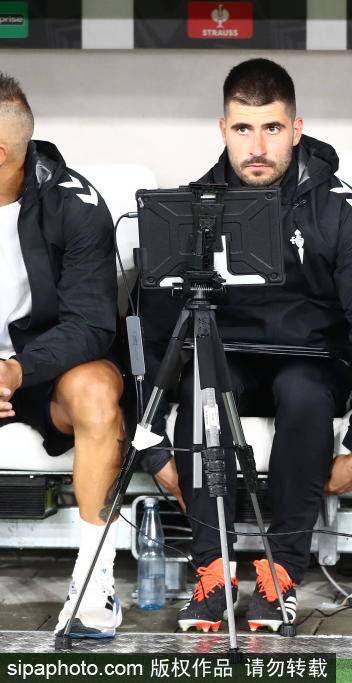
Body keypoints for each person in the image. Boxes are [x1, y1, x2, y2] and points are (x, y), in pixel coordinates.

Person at [139, 58, 352, 633]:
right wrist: (153, 445)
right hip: (225, 356)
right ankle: (212, 572)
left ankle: (280, 574)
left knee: (303, 391)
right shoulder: (192, 209)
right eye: (243, 128)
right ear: (223, 129)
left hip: (313, 361)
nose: (257, 147)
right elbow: (157, 333)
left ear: (297, 128)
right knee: (205, 386)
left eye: (272, 128)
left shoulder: (341, 210)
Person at [0, 73, 124, 638]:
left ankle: (95, 582)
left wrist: (16, 369)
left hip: (44, 372)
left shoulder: (75, 205)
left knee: (96, 392)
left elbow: (91, 324)